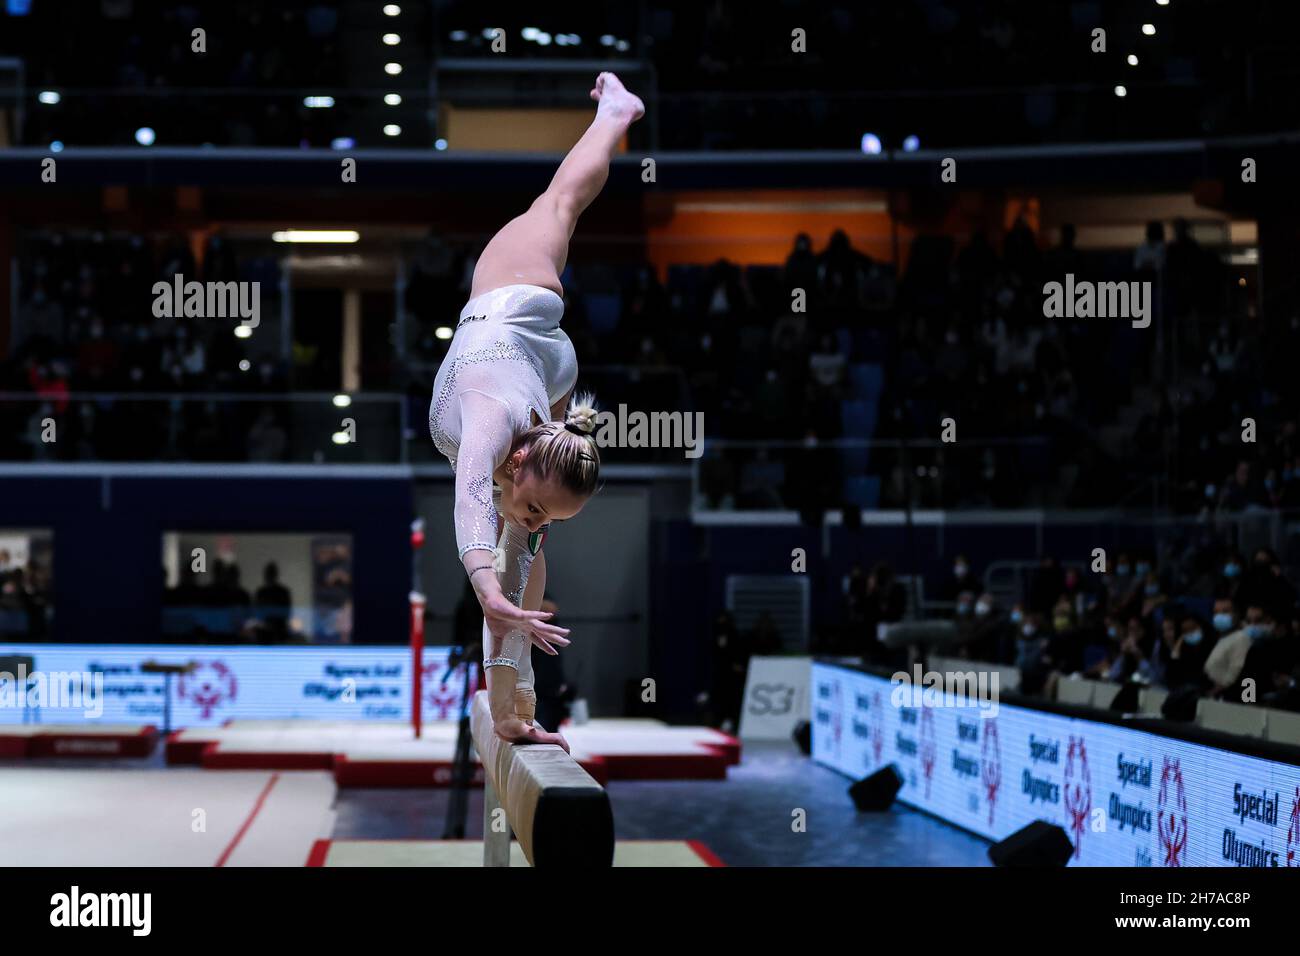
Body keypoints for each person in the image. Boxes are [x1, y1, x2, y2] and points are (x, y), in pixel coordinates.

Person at [428, 73, 644, 750]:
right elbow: (468, 500)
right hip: (513, 302)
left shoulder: (527, 485)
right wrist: (485, 589)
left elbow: (514, 577)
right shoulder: (489, 432)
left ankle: (520, 705)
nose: (534, 516)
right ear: (519, 460)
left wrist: (511, 708)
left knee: (520, 561)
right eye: (538, 504)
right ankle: (615, 113)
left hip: (545, 369)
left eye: (547, 513)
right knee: (560, 201)